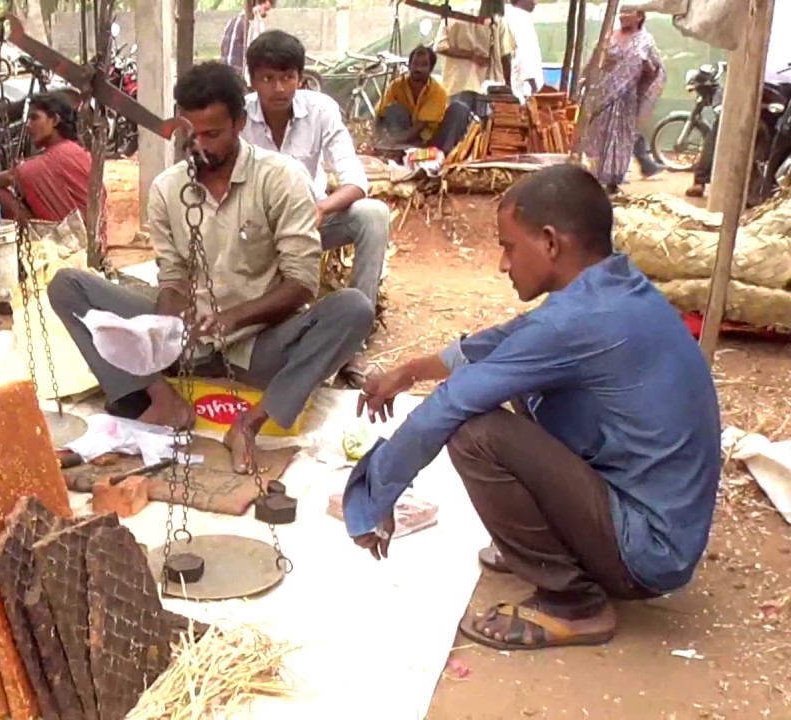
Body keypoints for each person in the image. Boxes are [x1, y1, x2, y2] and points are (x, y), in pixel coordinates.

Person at [343, 164, 721, 650]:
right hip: (661, 528)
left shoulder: (578, 322)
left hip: (646, 554)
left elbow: (450, 405)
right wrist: (409, 371)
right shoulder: (611, 290)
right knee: (520, 381)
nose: (503, 264)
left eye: (508, 246)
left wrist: (374, 497)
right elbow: (504, 343)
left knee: (474, 432)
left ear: (549, 242)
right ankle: (558, 547)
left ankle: (575, 603)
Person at [47, 62, 373, 473]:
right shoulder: (168, 188)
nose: (199, 146)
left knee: (354, 309)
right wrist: (164, 326)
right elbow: (172, 276)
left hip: (258, 347)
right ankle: (162, 399)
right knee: (67, 287)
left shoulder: (280, 180)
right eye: (189, 135)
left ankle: (248, 425)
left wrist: (231, 319)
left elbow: (302, 283)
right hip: (187, 338)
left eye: (212, 134)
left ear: (239, 123)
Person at [240, 30, 389, 386]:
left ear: (301, 78)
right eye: (267, 78)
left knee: (373, 215)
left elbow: (355, 180)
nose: (278, 88)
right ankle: (258, 339)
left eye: (287, 77)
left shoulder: (321, 111)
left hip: (312, 221)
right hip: (257, 231)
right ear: (253, 80)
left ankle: (354, 345)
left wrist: (321, 209)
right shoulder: (239, 117)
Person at [689, 0, 791, 198]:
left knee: (782, 135)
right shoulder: (764, 8)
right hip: (756, 77)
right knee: (726, 123)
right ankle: (701, 178)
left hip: (781, 83)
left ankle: (771, 185)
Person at [579, 10, 665, 193]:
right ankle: (592, 176)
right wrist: (586, 80)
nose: (622, 15)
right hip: (601, 94)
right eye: (622, 11)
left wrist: (642, 74)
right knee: (596, 133)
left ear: (639, 16)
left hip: (626, 98)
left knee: (620, 136)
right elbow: (595, 60)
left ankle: (612, 181)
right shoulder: (609, 36)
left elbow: (655, 69)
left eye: (628, 12)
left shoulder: (646, 41)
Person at [0, 91, 93, 223]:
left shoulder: (59, 155)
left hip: (74, 235)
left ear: (55, 120)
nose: (28, 125)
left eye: (34, 118)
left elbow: (14, 175)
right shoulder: (76, 150)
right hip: (92, 233)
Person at [434, 14, 515, 147]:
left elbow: (440, 46)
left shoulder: (453, 15)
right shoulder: (496, 17)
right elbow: (506, 55)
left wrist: (470, 55)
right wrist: (508, 84)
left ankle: (453, 162)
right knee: (486, 135)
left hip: (458, 83)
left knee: (457, 136)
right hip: (489, 86)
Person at [376, 45, 454, 152]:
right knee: (392, 109)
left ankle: (406, 149)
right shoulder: (396, 85)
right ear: (409, 66)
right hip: (404, 131)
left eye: (424, 65)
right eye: (415, 64)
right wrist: (377, 140)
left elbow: (421, 126)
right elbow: (380, 113)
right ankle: (400, 148)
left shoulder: (438, 91)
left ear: (431, 69)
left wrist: (398, 142)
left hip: (427, 139)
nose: (418, 69)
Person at [220, 0, 274, 81]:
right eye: (262, 1)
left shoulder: (234, 21)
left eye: (271, 1)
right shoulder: (252, 23)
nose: (268, 5)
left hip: (228, 78)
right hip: (239, 80)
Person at [505, 0, 544, 100]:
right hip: (522, 92)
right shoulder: (519, 19)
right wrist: (534, 87)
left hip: (520, 89)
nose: (536, 3)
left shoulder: (513, 16)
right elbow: (524, 55)